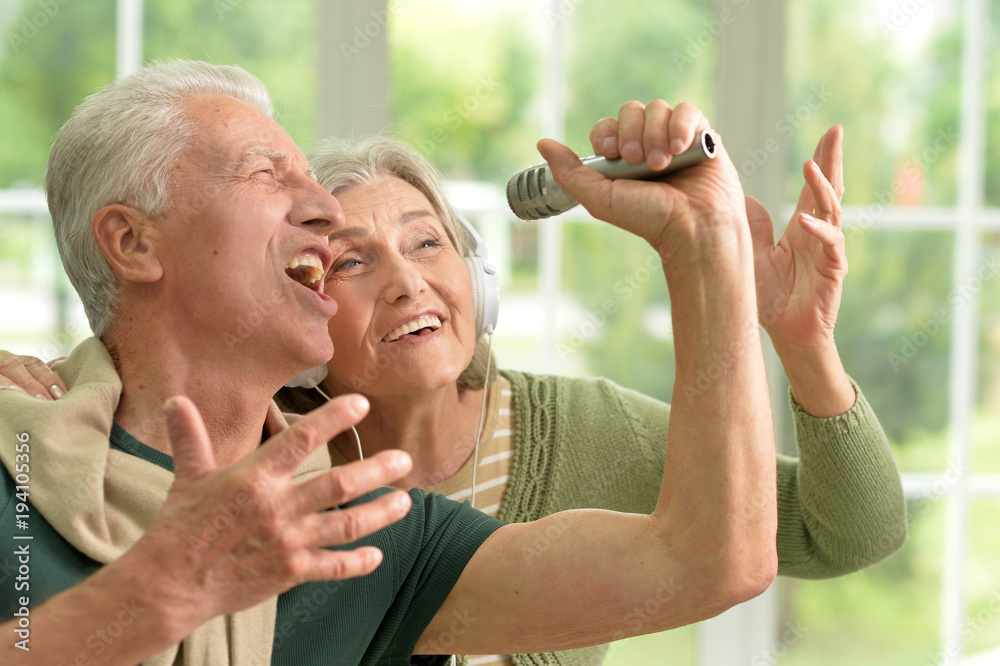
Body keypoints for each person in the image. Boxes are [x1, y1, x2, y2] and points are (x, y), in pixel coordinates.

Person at [0, 75, 907, 666]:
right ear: (132, 241)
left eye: (427, 241)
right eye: (268, 174)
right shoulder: (20, 456)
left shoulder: (360, 533)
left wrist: (704, 244)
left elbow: (708, 562)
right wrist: (166, 592)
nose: (319, 207)